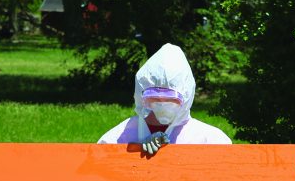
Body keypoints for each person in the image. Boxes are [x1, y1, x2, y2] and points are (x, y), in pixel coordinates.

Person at [98, 43, 231, 155]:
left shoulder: (208, 140)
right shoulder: (119, 137)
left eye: (170, 99)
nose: (162, 104)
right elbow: (97, 169)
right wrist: (134, 152)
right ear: (141, 97)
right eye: (154, 98)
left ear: (186, 97)